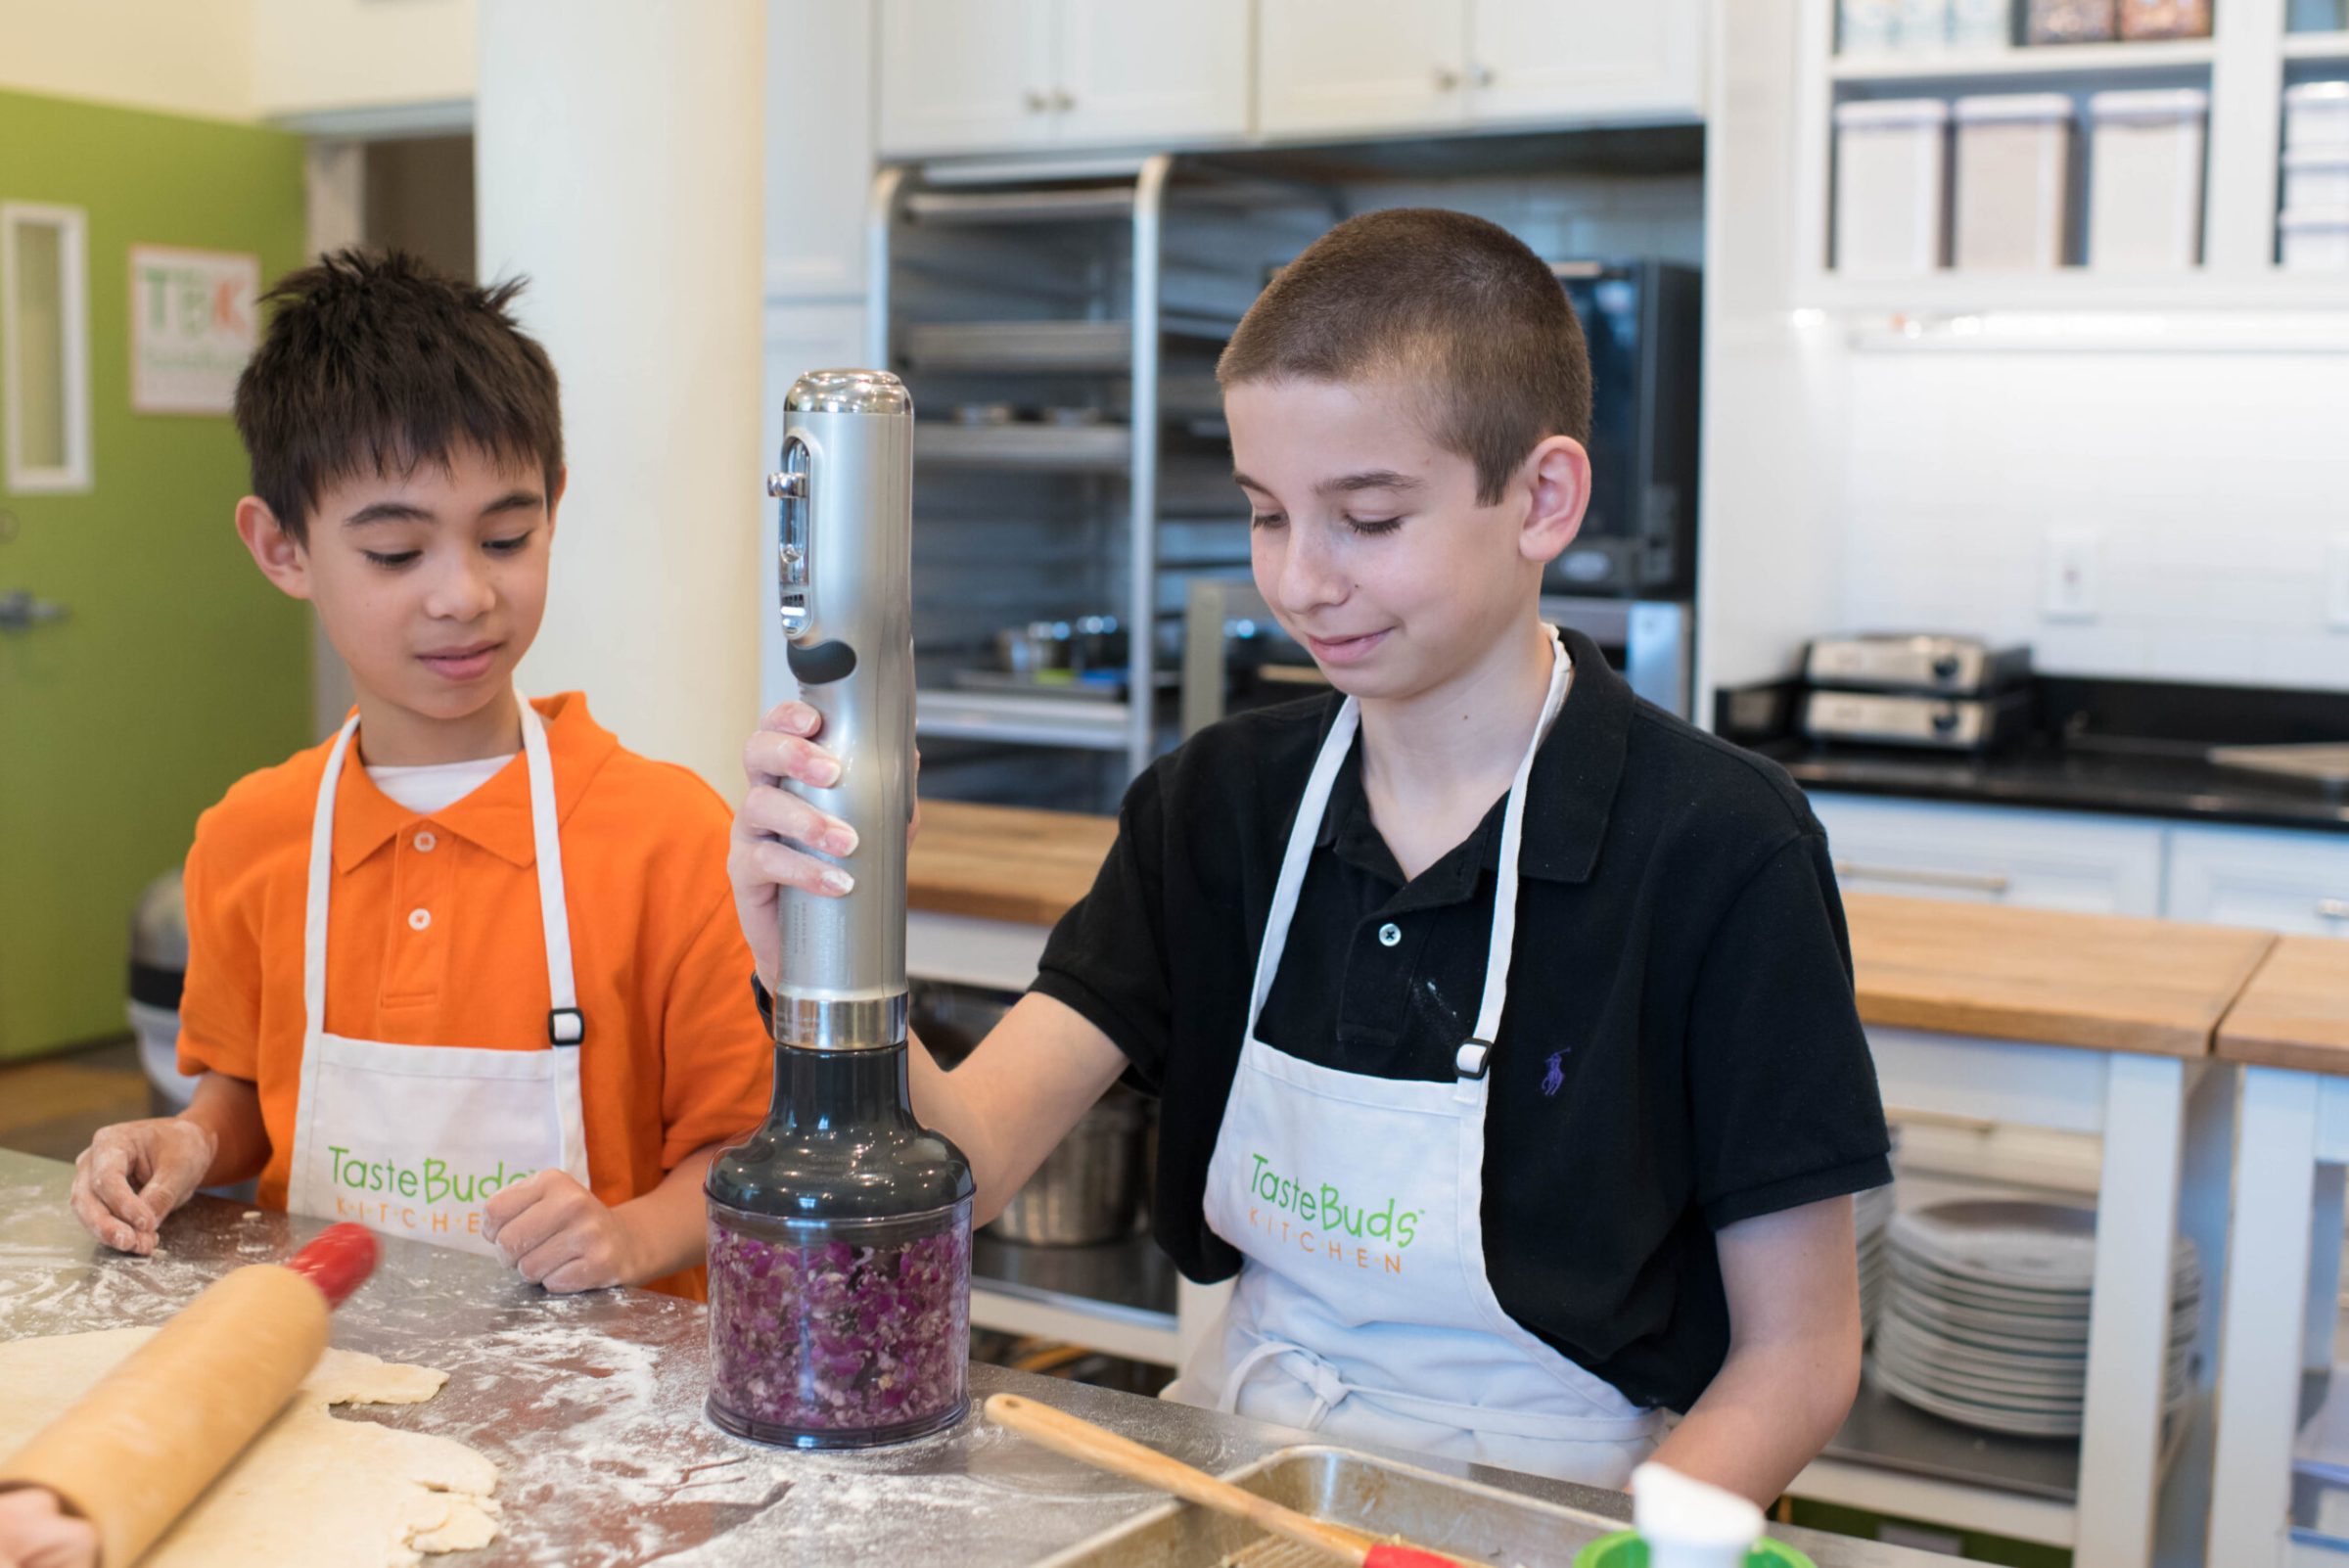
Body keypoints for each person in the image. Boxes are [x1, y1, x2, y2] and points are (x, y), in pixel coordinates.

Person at [730, 208, 1889, 1503]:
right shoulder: (1218, 805)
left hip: (1567, 1500)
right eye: (1266, 513)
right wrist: (823, 974)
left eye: (1370, 517)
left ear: (1542, 498)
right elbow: (972, 1166)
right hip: (1253, 1469)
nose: (1300, 580)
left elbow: (1798, 1356)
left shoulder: (1719, 847)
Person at [66, 251, 768, 1300]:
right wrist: (191, 1144)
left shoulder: (665, 837)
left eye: (506, 536)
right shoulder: (255, 835)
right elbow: (256, 1096)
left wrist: (629, 1236)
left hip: (598, 1412)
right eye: (397, 553)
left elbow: (748, 1161)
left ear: (554, 509)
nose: (465, 594)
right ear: (282, 549)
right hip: (316, 1376)